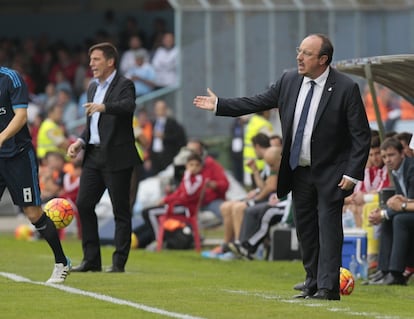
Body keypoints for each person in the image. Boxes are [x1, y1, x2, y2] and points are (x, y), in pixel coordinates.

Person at [193, 33, 371, 300]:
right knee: (305, 229)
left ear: (323, 59)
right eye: (299, 51)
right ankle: (312, 280)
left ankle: (328, 287)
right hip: (298, 170)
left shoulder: (345, 88)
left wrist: (352, 173)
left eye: (306, 53)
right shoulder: (289, 80)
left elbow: (361, 135)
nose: (299, 57)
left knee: (329, 228)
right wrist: (220, 105)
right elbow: (256, 101)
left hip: (331, 172)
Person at [67, 42, 141, 273]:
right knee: (84, 204)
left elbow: (128, 106)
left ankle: (118, 262)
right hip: (93, 156)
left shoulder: (124, 84)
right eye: (91, 60)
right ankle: (92, 260)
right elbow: (92, 126)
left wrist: (104, 107)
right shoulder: (92, 87)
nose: (91, 64)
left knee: (121, 210)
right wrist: (79, 143)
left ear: (110, 61)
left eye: (96, 59)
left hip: (117, 157)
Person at [0, 65, 71, 283]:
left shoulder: (11, 79)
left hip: (18, 156)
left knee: (33, 214)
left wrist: (1, 138)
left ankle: (61, 262)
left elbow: (21, 116)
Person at [367, 137, 414, 285]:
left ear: (402, 153)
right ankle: (384, 270)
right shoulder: (396, 171)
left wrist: (384, 213)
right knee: (389, 218)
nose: (387, 160)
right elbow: (401, 202)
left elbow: (409, 201)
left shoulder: (411, 168)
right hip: (409, 209)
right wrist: (385, 211)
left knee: (399, 219)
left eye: (391, 155)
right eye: (385, 156)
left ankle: (396, 273)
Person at [135, 152, 204, 247]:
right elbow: (178, 193)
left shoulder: (198, 179)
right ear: (186, 166)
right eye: (191, 165)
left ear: (201, 167)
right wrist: (166, 199)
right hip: (177, 205)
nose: (194, 167)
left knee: (151, 213)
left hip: (186, 208)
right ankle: (158, 237)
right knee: (146, 212)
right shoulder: (187, 178)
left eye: (197, 165)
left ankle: (158, 240)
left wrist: (187, 175)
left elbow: (189, 192)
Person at [146, 99, 187, 176]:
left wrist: (164, 136)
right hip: (155, 157)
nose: (160, 111)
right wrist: (148, 157)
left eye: (162, 108)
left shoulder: (172, 123)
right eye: (157, 108)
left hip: (168, 156)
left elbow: (179, 138)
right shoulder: (152, 123)